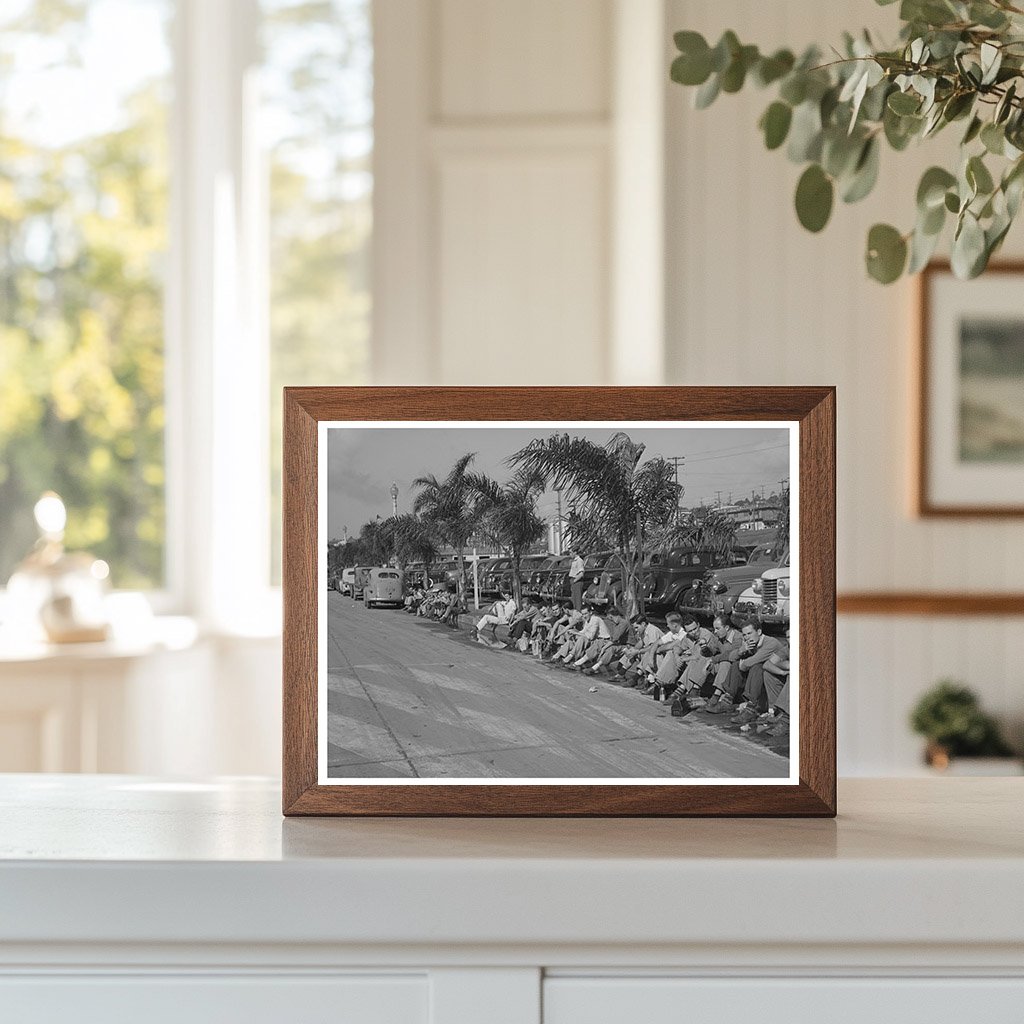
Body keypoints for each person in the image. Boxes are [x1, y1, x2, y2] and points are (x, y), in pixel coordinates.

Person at [577, 606, 630, 673]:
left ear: (610, 615)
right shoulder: (617, 624)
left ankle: (594, 668)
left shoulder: (623, 623)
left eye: (608, 616)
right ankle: (590, 664)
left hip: (628, 646)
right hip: (619, 644)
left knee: (610, 648)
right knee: (601, 644)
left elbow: (614, 639)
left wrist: (604, 648)